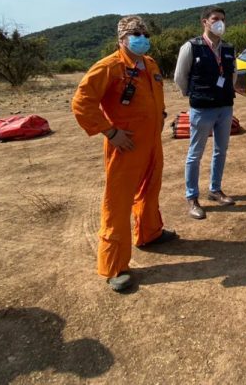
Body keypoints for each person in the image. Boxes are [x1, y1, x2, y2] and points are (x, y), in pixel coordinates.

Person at [72, 15, 178, 292]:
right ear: (121, 39)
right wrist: (110, 132)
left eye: (145, 34)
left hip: (152, 142)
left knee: (150, 190)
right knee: (117, 203)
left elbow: (155, 96)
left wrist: (160, 115)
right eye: (135, 34)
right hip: (126, 145)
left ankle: (149, 233)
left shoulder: (150, 63)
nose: (142, 38)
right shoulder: (109, 67)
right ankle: (115, 266)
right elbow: (82, 103)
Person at [174, 6, 237, 219]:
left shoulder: (228, 48)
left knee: (221, 150)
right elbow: (180, 76)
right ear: (205, 22)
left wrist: (226, 92)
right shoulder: (191, 47)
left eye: (223, 19)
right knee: (195, 153)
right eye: (216, 19)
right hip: (202, 108)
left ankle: (215, 190)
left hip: (225, 107)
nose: (220, 23)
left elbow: (233, 74)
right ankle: (192, 197)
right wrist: (192, 94)